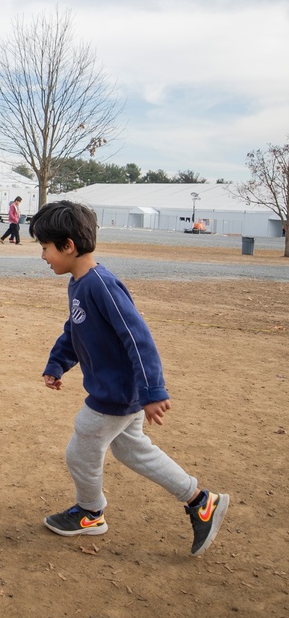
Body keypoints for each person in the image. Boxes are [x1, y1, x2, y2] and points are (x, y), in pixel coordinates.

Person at [29, 200, 229, 556]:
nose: (43, 255)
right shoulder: (79, 284)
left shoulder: (102, 285)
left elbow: (138, 338)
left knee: (80, 450)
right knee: (134, 451)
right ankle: (201, 500)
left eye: (45, 247)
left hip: (117, 395)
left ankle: (90, 513)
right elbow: (74, 329)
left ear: (68, 245)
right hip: (122, 393)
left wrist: (152, 391)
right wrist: (57, 363)